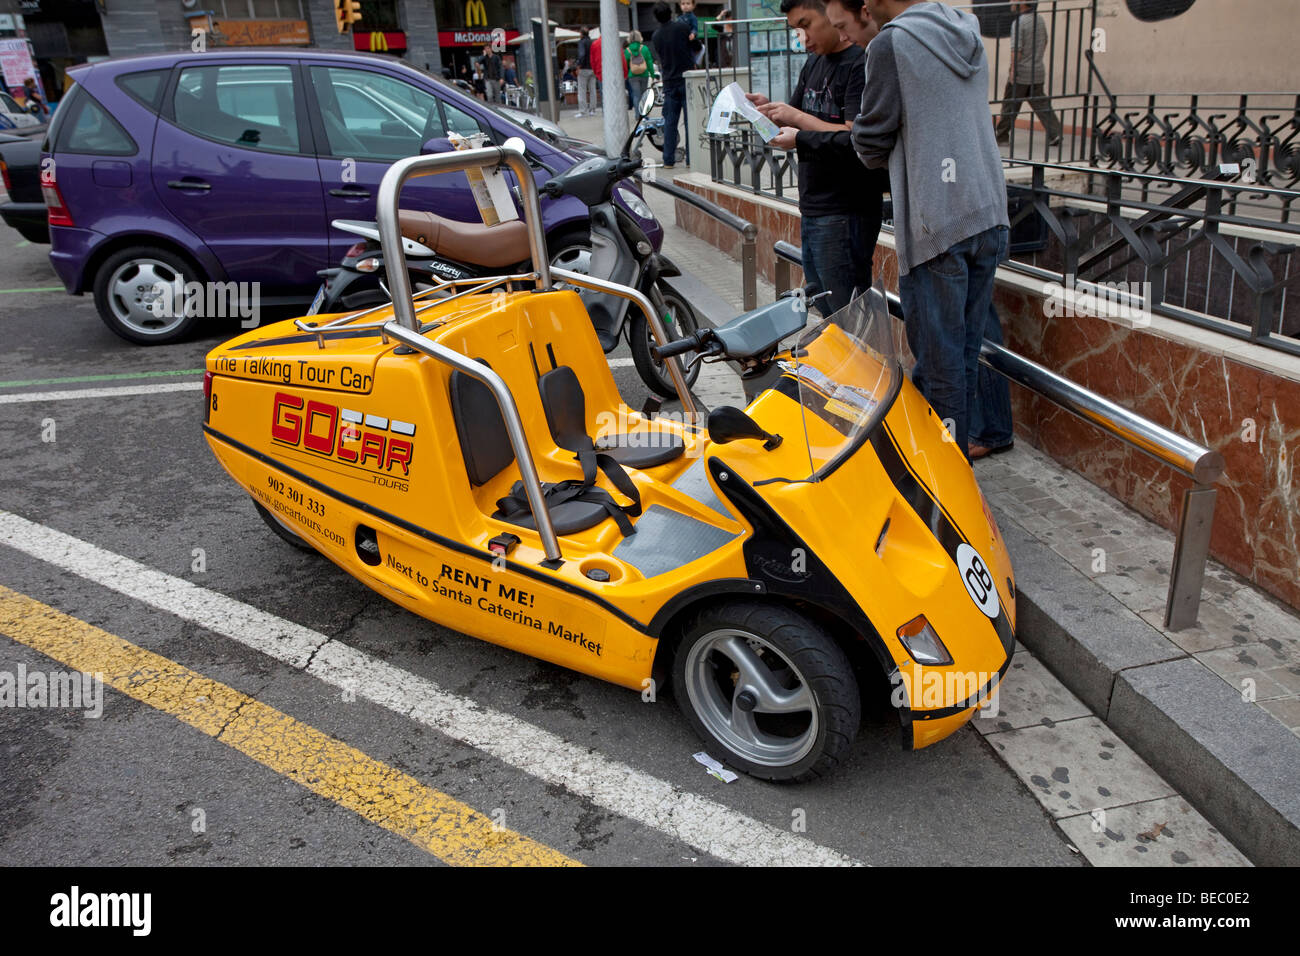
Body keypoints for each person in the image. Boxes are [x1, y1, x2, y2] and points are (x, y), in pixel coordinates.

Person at [851, 0, 1010, 461]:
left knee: (942, 372)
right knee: (962, 356)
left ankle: (945, 493)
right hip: (987, 211)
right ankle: (947, 466)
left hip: (937, 222)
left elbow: (870, 141)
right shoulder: (968, 31)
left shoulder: (891, 44)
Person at [747, 0, 884, 317]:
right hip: (814, 204)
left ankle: (869, 366)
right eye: (796, 29)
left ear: (831, 13)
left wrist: (796, 119)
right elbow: (797, 122)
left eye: (806, 24)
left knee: (849, 310)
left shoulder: (860, 63)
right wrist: (768, 110)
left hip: (847, 208)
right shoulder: (815, 62)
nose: (803, 38)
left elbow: (855, 137)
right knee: (825, 304)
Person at [996, 0, 1062, 146]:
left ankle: (1001, 137)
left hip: (1022, 72)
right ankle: (1055, 133)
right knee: (1041, 104)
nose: (1011, 2)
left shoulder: (1019, 23)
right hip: (1037, 70)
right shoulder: (1039, 20)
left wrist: (1013, 69)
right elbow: (1045, 41)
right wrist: (1035, 59)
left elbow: (1016, 50)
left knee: (1010, 105)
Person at [652, 1, 693, 168]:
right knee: (690, 121)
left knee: (670, 122)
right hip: (686, 79)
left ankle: (668, 160)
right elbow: (694, 45)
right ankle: (691, 159)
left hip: (669, 82)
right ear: (671, 12)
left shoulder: (656, 36)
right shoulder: (682, 28)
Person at [625, 30, 656, 110]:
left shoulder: (627, 50)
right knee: (643, 95)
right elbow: (649, 62)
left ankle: (637, 114)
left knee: (636, 95)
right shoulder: (644, 49)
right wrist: (652, 74)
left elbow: (625, 64)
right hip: (644, 74)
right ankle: (644, 114)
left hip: (632, 75)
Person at [576, 27, 598, 117]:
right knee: (592, 90)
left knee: (582, 90)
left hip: (584, 68)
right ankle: (592, 110)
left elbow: (582, 54)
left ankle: (583, 111)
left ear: (581, 34)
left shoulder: (582, 42)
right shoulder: (592, 42)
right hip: (592, 68)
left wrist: (578, 65)